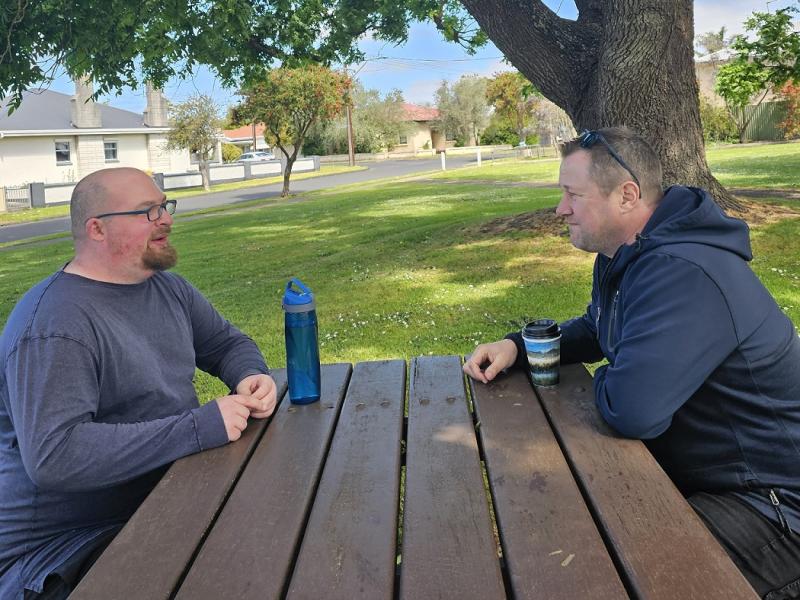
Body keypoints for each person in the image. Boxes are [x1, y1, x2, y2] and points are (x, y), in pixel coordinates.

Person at [463, 127, 800, 599]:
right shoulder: (628, 254)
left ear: (627, 196)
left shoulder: (682, 270)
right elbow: (599, 327)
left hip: (773, 505)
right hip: (709, 480)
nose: (561, 209)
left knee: (603, 576)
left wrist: (610, 373)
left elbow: (632, 408)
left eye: (572, 194)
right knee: (567, 535)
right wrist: (519, 346)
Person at [0, 167, 278, 599]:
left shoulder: (169, 290)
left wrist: (251, 375)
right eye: (148, 212)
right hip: (60, 551)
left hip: (160, 497)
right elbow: (56, 456)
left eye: (164, 207)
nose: (165, 219)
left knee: (278, 531)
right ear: (97, 229)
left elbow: (226, 343)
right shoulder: (55, 325)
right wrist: (197, 427)